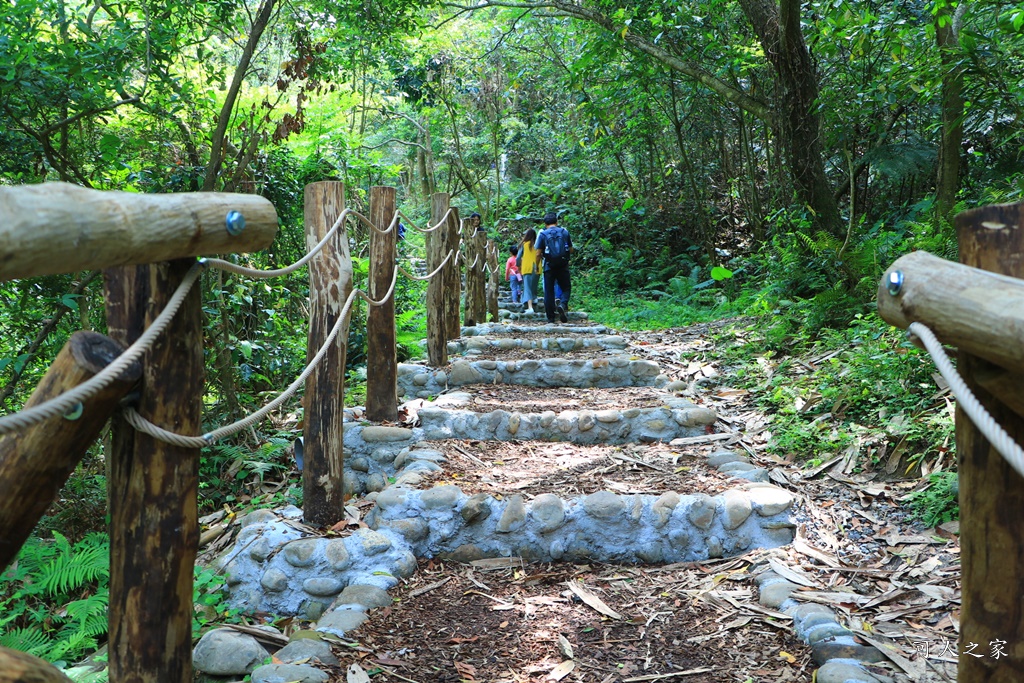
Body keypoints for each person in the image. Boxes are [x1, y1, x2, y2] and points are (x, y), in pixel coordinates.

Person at [534, 212, 572, 323]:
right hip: (563, 265)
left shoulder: (543, 234)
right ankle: (563, 304)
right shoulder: (564, 232)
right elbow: (570, 249)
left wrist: (537, 266)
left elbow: (538, 253)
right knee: (566, 288)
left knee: (549, 292)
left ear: (545, 223)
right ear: (557, 222)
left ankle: (550, 318)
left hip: (549, 266)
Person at [516, 228, 543, 314]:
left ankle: (530, 307)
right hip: (537, 267)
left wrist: (518, 265)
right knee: (533, 286)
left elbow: (518, 258)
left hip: (527, 268)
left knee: (527, 287)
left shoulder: (524, 245)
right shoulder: (538, 245)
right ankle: (534, 301)